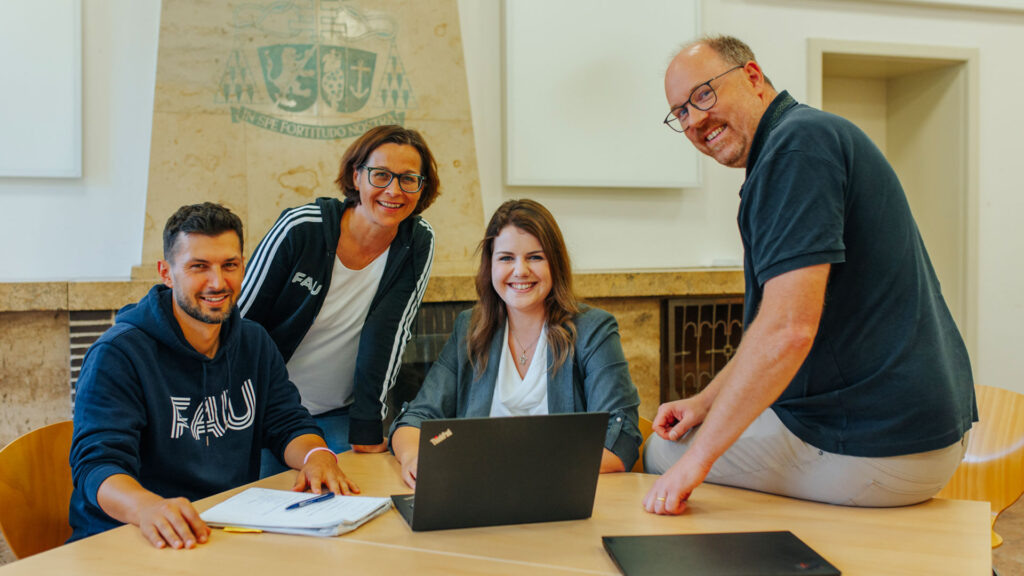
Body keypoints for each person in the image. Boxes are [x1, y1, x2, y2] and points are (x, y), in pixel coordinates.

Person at [643, 36, 976, 514]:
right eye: (681, 113)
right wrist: (707, 400)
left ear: (754, 78)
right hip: (912, 431)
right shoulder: (802, 139)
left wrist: (694, 462)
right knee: (698, 436)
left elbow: (787, 331)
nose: (695, 120)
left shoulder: (795, 148)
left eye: (703, 95)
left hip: (883, 445)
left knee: (662, 454)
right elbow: (771, 329)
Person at [69, 203, 360, 549]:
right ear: (166, 272)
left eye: (230, 265)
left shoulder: (254, 341)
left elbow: (288, 423)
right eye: (199, 267)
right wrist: (148, 507)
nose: (218, 282)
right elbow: (97, 465)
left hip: (222, 530)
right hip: (129, 536)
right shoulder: (118, 354)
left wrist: (317, 457)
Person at [390, 199, 642, 488]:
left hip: (561, 494)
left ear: (555, 264)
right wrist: (413, 456)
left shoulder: (593, 329)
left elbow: (621, 437)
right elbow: (418, 416)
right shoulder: (468, 328)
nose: (520, 271)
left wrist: (522, 470)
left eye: (535, 257)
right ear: (490, 266)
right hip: (478, 494)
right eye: (506, 258)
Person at [237, 125, 439, 476]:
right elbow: (240, 322)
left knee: (354, 504)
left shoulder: (416, 241)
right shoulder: (301, 227)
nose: (393, 190)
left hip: (340, 413)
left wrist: (368, 425)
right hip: (270, 411)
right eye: (381, 175)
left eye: (408, 179)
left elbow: (389, 333)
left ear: (422, 188)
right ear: (356, 175)